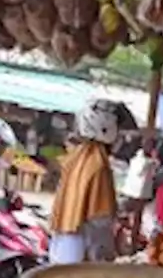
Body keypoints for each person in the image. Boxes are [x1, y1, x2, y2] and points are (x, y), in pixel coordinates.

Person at [48, 99, 119, 264]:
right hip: (82, 248)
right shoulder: (99, 164)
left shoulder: (79, 155)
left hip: (65, 242)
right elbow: (100, 217)